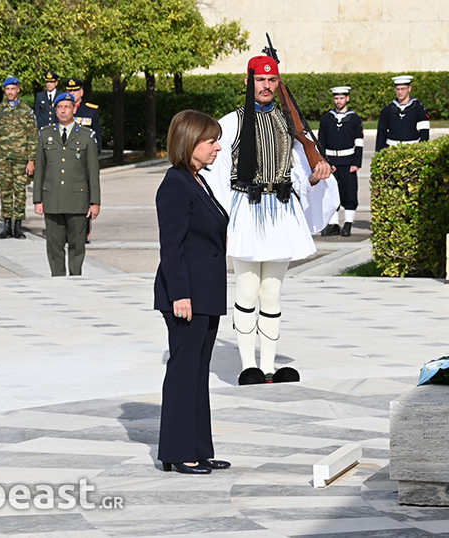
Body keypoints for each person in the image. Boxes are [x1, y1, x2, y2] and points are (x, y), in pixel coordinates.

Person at [202, 56, 338, 386]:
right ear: (248, 82)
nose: (266, 85)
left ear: (278, 83)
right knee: (247, 291)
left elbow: (300, 170)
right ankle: (248, 365)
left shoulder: (288, 123)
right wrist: (224, 220)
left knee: (273, 292)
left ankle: (268, 367)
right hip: (246, 210)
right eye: (260, 80)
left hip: (281, 210)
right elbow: (217, 173)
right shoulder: (231, 123)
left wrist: (317, 176)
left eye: (272, 80)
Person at [154, 109, 230, 475]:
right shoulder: (175, 183)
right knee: (184, 372)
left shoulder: (197, 180)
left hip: (206, 293)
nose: (218, 147)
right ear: (189, 143)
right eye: (211, 141)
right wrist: (179, 294)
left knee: (198, 373)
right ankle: (177, 451)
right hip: (187, 297)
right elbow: (171, 247)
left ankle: (199, 449)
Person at [33, 93, 100, 276]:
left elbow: (92, 172)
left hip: (77, 199)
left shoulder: (86, 136)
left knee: (77, 245)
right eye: (60, 107)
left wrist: (95, 202)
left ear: (74, 109)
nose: (63, 111)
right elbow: (40, 169)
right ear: (55, 110)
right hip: (52, 198)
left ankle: (75, 277)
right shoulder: (45, 134)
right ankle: (58, 278)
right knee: (54, 245)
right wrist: (38, 200)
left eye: (67, 107)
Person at [0, 76, 37, 239]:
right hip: (4, 159)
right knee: (5, 192)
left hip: (21, 159)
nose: (10, 92)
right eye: (7, 89)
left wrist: (31, 161)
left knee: (20, 193)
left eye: (13, 89)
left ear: (18, 90)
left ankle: (18, 226)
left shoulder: (26, 111)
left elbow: (32, 137)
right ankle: (6, 225)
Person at [317, 86, 363, 237]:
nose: (339, 101)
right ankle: (333, 224)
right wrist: (324, 162)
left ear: (347, 99)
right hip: (331, 162)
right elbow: (321, 142)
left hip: (348, 162)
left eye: (342, 98)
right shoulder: (326, 119)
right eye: (336, 98)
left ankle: (348, 223)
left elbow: (359, 142)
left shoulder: (354, 119)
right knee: (330, 192)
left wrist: (356, 162)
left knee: (349, 193)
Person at [374, 75, 430, 152]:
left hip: (412, 151)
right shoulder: (387, 110)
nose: (400, 92)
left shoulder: (419, 109)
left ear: (409, 89)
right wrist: (379, 153)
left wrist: (420, 152)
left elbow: (424, 135)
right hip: (391, 150)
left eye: (403, 89)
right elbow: (381, 134)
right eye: (398, 89)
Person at [65, 78, 102, 153]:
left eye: (75, 90)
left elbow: (97, 136)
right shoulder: (59, 110)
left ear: (81, 92)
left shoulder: (91, 111)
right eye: (70, 91)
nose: (72, 93)